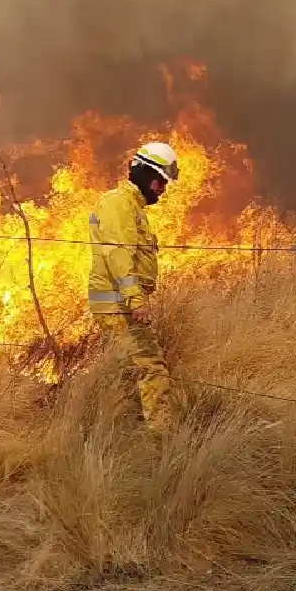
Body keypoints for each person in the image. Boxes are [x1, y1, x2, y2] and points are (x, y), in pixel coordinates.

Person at [87, 141, 179, 431]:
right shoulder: (118, 203)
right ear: (144, 173)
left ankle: (116, 429)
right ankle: (161, 438)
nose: (162, 189)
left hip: (120, 304)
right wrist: (135, 300)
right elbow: (119, 253)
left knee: (127, 370)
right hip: (119, 306)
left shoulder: (131, 207)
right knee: (151, 368)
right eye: (160, 181)